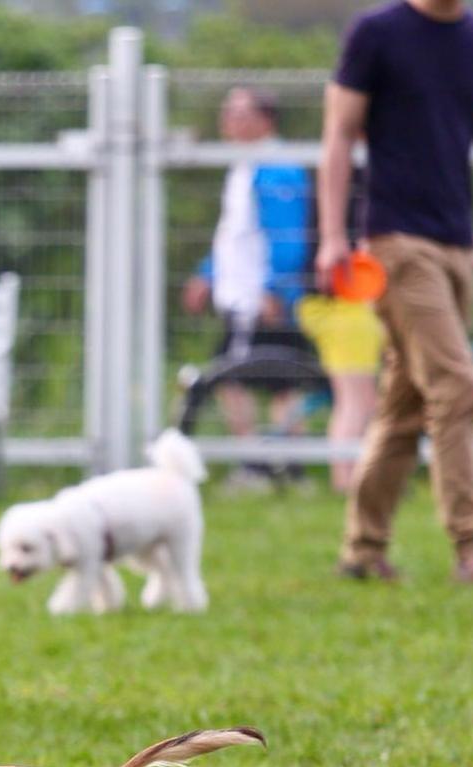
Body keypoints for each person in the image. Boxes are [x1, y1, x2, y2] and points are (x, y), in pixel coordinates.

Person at [317, 0, 473, 586]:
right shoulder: (376, 33)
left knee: (405, 405)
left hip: (456, 244)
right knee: (457, 385)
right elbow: (340, 136)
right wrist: (332, 236)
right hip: (394, 244)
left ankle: (363, 549)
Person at [180, 86, 316, 493]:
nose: (229, 120)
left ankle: (264, 466)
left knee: (237, 376)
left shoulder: (276, 168)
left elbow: (289, 235)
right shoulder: (243, 165)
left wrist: (275, 289)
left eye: (240, 112)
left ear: (265, 119)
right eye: (227, 112)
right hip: (241, 294)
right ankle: (284, 466)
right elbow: (235, 233)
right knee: (275, 381)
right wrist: (208, 273)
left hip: (261, 298)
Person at [295, 293, 384, 493]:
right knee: (353, 404)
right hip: (347, 315)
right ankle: (345, 480)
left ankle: (355, 476)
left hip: (349, 314)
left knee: (364, 403)